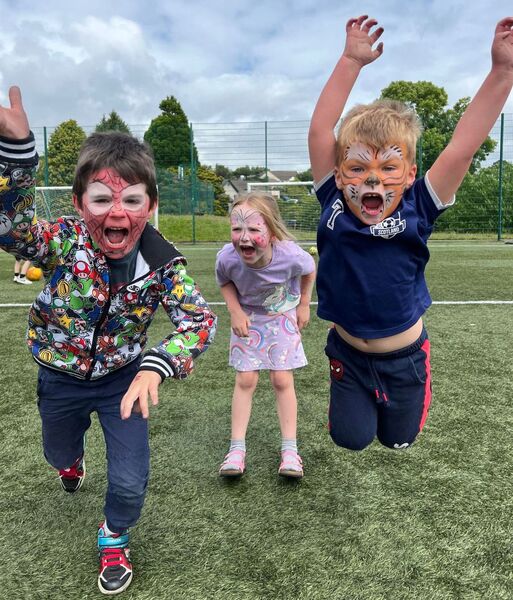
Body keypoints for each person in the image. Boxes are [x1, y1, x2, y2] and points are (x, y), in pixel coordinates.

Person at [0, 86, 217, 595]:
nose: (116, 213)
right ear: (79, 203)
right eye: (101, 199)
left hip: (125, 382)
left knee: (128, 481)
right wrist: (17, 155)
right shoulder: (66, 240)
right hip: (59, 376)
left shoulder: (164, 263)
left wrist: (156, 363)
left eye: (131, 200)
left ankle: (113, 536)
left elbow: (199, 321)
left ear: (151, 205)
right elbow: (11, 231)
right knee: (58, 453)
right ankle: (70, 463)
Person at [308, 16, 513, 452]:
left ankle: (412, 396)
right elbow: (319, 131)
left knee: (399, 439)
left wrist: (503, 72)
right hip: (347, 354)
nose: (372, 182)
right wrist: (350, 61)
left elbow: (462, 146)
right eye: (359, 167)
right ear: (341, 172)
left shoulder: (421, 203)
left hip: (404, 360)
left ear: (411, 173)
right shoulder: (332, 198)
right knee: (351, 439)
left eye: (388, 168)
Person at [216, 192, 316, 478]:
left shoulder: (292, 255)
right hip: (249, 316)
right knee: (245, 378)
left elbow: (309, 271)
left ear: (271, 232)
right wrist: (235, 311)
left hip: (281, 313)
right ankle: (236, 449)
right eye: (237, 229)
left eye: (254, 229)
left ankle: (290, 451)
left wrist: (305, 304)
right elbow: (224, 281)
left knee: (281, 378)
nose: (244, 237)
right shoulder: (227, 257)